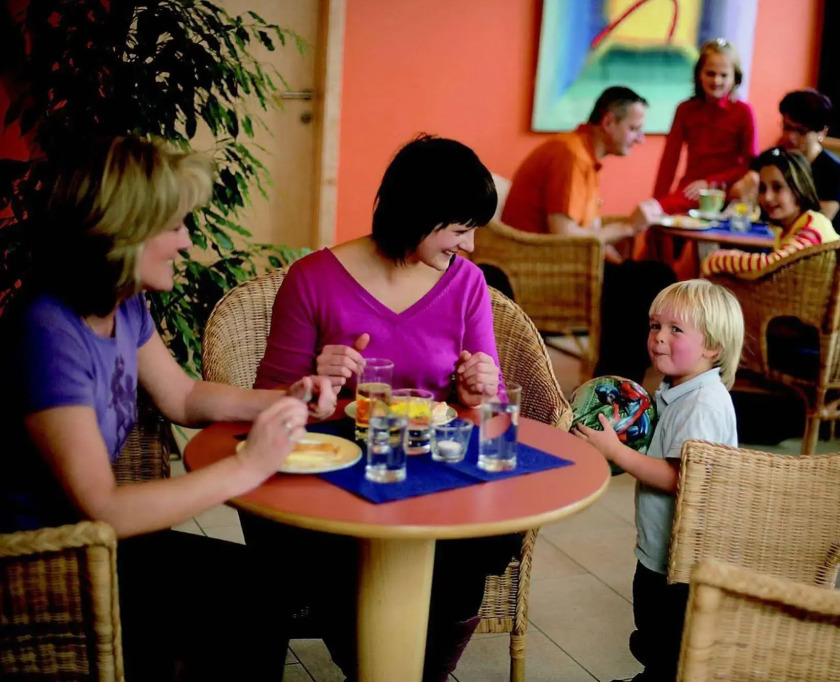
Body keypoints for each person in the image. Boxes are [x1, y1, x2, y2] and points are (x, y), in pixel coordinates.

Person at [0, 136, 339, 681]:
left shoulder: (122, 304)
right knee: (246, 602)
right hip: (45, 564)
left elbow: (182, 395)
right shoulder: (47, 333)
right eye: (176, 225)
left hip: (103, 547)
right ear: (124, 230)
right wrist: (248, 466)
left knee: (264, 590)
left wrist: (288, 397)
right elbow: (103, 507)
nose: (186, 241)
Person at [251, 134, 520, 681]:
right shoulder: (313, 280)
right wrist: (315, 381)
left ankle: (419, 671)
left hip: (431, 472)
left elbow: (485, 401)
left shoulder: (467, 284)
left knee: (488, 535)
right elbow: (271, 400)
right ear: (418, 213)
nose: (470, 246)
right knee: (314, 543)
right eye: (459, 230)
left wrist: (477, 391)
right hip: (338, 474)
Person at [573, 279, 743, 682]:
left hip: (684, 561)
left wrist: (616, 452)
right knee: (653, 630)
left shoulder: (702, 405)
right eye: (655, 326)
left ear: (712, 347)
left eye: (675, 329)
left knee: (670, 640)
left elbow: (681, 478)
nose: (659, 337)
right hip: (663, 548)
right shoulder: (677, 389)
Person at [500, 86, 676, 382]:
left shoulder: (583, 154)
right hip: (543, 272)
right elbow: (564, 237)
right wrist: (628, 226)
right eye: (634, 129)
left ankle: (618, 378)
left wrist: (620, 256)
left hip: (564, 264)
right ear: (608, 122)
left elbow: (588, 228)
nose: (640, 138)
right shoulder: (571, 156)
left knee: (654, 275)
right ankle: (614, 383)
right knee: (650, 282)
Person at [649, 38, 757, 277]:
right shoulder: (685, 109)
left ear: (735, 78)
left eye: (723, 75)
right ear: (699, 75)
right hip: (690, 189)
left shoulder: (744, 112)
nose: (716, 81)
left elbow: (751, 164)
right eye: (710, 73)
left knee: (716, 255)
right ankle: (662, 283)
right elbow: (669, 161)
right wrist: (658, 201)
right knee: (652, 221)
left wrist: (712, 183)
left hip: (728, 192)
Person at [702, 147, 840, 277]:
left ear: (799, 188)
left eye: (777, 187)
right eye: (763, 189)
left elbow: (774, 265)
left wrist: (717, 259)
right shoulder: (784, 230)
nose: (767, 197)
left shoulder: (812, 225)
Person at [733, 89, 840, 228]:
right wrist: (747, 186)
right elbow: (738, 196)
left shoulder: (832, 169)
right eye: (787, 127)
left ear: (822, 132)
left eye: (801, 131)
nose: (790, 137)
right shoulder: (771, 157)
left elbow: (820, 221)